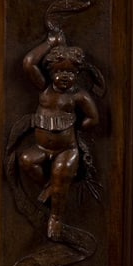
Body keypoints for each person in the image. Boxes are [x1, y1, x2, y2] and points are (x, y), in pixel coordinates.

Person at [18, 28, 99, 241]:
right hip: (42, 149)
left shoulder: (78, 96)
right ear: (51, 72)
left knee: (61, 172)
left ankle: (56, 217)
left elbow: (93, 118)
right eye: (60, 72)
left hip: (67, 149)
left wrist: (75, 128)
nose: (65, 77)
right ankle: (51, 187)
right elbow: (28, 63)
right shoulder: (45, 88)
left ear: (77, 74)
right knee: (26, 161)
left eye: (71, 73)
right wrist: (50, 43)